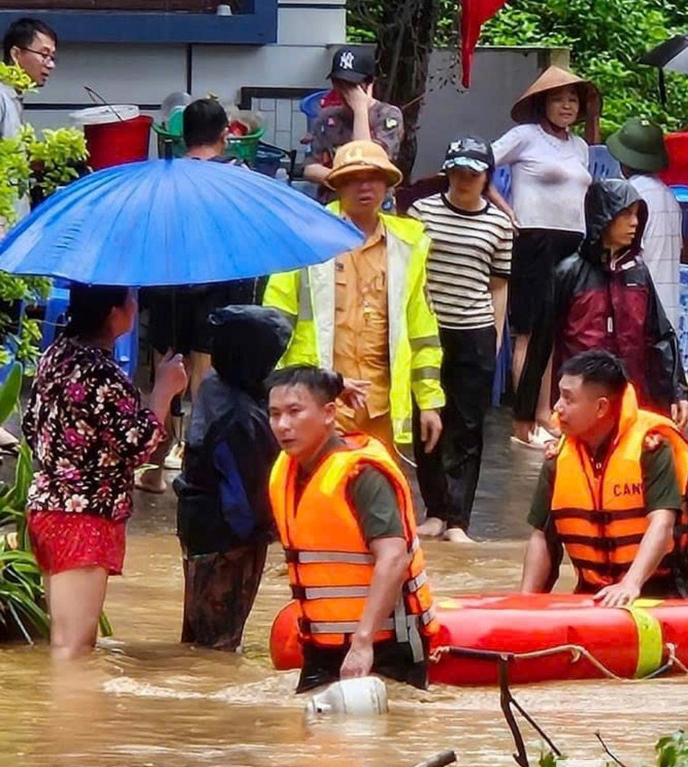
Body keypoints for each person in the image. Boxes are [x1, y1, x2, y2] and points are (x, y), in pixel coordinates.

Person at [262, 140, 446, 534]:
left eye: (374, 179)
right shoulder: (305, 240)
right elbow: (275, 323)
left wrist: (429, 402)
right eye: (353, 180)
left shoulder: (408, 245)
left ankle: (381, 584)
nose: (365, 188)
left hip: (380, 400)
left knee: (380, 504)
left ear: (387, 186)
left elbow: (421, 329)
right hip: (320, 398)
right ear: (338, 187)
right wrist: (287, 391)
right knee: (317, 500)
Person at [22, 284, 187, 659]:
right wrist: (163, 391)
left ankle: (68, 717)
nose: (135, 304)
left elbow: (32, 427)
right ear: (115, 312)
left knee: (68, 639)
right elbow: (137, 444)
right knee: (73, 648)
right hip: (82, 517)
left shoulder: (55, 355)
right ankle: (71, 718)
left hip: (50, 507)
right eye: (130, 298)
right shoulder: (100, 373)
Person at [266, 366, 436, 692]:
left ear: (329, 413)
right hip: (320, 644)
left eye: (294, 412)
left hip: (385, 643)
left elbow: (394, 559)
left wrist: (362, 642)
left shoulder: (362, 474)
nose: (282, 425)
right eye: (275, 415)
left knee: (378, 736)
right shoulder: (286, 470)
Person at [138, 99, 258, 493]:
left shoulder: (163, 178)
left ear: (179, 137)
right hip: (220, 286)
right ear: (226, 134)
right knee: (207, 379)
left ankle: (156, 465)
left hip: (167, 284)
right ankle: (201, 466)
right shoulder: (240, 177)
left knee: (165, 372)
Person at [515, 178, 688, 435]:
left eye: (637, 215)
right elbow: (540, 344)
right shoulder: (568, 273)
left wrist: (678, 393)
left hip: (631, 401)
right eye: (626, 214)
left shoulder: (638, 274)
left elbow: (661, 337)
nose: (635, 222)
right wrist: (525, 411)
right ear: (604, 217)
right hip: (580, 404)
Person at [520, 350, 688, 604]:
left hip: (657, 592)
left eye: (568, 399)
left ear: (601, 406)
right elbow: (541, 537)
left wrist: (630, 584)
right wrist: (525, 602)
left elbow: (662, 524)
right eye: (559, 396)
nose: (558, 408)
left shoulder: (651, 449)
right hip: (591, 593)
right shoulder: (558, 460)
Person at [409, 137, 513, 543]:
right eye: (457, 171)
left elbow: (499, 285)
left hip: (475, 329)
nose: (464, 179)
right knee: (428, 419)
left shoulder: (499, 224)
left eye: (473, 173)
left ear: (486, 176)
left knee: (468, 426)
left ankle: (458, 519)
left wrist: (496, 335)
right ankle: (435, 509)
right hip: (429, 330)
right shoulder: (422, 212)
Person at [488, 65, 598, 449]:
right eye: (558, 98)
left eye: (572, 99)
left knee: (556, 331)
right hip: (534, 239)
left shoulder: (580, 146)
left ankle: (546, 413)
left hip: (573, 243)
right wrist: (505, 210)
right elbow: (479, 164)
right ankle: (526, 417)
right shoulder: (524, 136)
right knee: (530, 332)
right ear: (542, 104)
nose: (566, 105)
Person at [174, 305, 291, 652]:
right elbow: (249, 498)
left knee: (199, 634)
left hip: (199, 525)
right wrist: (271, 533)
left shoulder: (216, 384)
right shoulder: (241, 419)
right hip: (227, 540)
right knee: (217, 646)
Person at [606, 117, 682, 328]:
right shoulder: (670, 197)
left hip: (637, 308)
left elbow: (618, 254)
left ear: (623, 160)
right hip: (666, 309)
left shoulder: (629, 196)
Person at [303, 46, 404, 196]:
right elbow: (310, 168)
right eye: (339, 83)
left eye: (351, 85)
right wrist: (343, 180)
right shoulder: (326, 117)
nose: (345, 91)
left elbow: (366, 161)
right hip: (334, 204)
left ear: (369, 84)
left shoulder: (389, 116)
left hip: (375, 204)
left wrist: (360, 110)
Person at [0, 17, 56, 141]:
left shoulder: (13, 96)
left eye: (52, 58)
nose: (51, 65)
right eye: (44, 55)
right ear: (16, 54)